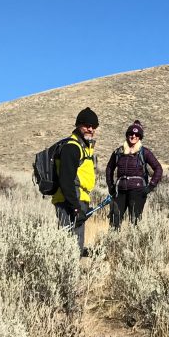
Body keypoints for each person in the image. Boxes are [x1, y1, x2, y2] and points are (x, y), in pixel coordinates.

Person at [52, 107, 99, 253]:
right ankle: (66, 274)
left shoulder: (83, 147)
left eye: (93, 126)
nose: (90, 129)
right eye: (86, 125)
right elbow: (66, 180)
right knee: (69, 247)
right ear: (78, 125)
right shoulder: (72, 147)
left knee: (75, 245)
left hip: (77, 200)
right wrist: (76, 208)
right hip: (70, 202)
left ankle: (71, 273)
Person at [106, 120, 163, 228]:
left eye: (137, 134)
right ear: (127, 135)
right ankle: (113, 243)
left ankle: (133, 244)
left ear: (140, 137)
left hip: (138, 192)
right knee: (114, 222)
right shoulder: (118, 152)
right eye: (131, 134)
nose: (133, 136)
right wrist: (111, 186)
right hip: (120, 191)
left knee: (135, 223)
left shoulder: (144, 152)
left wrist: (150, 187)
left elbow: (158, 168)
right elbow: (109, 168)